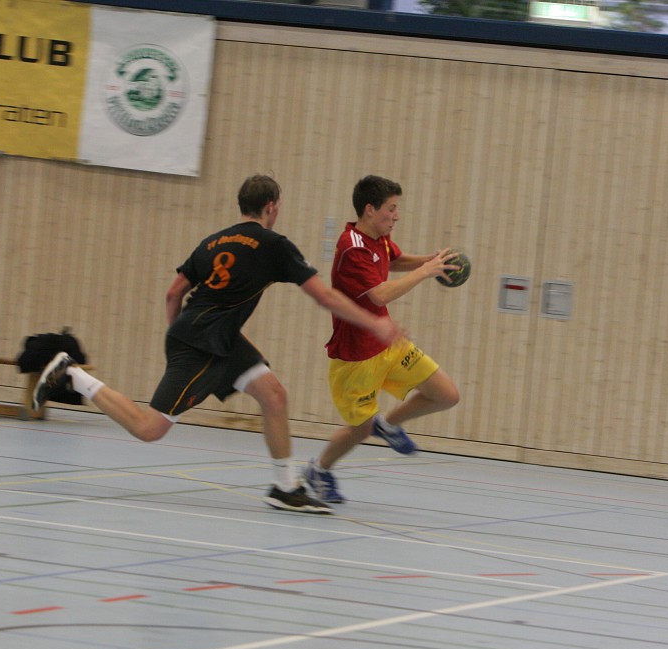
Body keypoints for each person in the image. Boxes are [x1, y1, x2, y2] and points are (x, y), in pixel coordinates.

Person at [33, 174, 402, 514]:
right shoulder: (274, 244)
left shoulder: (215, 240)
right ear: (271, 206)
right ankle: (73, 374)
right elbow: (324, 297)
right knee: (150, 429)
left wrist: (176, 334)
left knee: (274, 395)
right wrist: (374, 323)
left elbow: (174, 292)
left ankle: (285, 487)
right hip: (204, 343)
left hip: (210, 336)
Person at [302, 175, 461, 503]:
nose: (397, 215)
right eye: (392, 209)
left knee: (446, 394)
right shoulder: (352, 246)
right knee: (358, 431)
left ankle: (387, 425)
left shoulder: (380, 238)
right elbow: (380, 295)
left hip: (388, 345)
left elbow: (395, 260)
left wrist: (434, 261)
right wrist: (425, 272)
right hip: (355, 358)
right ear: (370, 210)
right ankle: (318, 468)